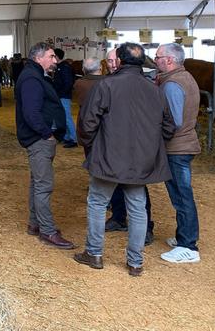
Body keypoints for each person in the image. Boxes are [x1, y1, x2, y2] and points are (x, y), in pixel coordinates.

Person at [75, 43, 174, 276]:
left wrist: (92, 145)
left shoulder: (106, 85)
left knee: (98, 203)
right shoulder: (155, 89)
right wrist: (152, 146)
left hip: (108, 158)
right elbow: (169, 127)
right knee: (138, 208)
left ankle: (94, 253)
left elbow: (87, 124)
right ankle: (135, 262)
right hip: (141, 161)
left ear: (118, 61)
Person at [14, 42, 74, 249]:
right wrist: (46, 133)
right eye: (51, 56)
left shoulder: (35, 75)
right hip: (39, 140)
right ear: (39, 57)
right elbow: (31, 112)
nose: (55, 60)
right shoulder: (32, 78)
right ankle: (47, 231)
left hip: (38, 138)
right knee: (43, 185)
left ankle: (35, 224)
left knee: (37, 183)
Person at [101, 48, 156, 244]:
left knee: (137, 191)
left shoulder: (146, 84)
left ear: (123, 61)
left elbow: (162, 119)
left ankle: (146, 228)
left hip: (135, 148)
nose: (113, 64)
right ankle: (118, 217)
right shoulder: (105, 84)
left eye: (116, 60)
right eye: (109, 61)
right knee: (114, 185)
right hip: (113, 148)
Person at [155, 42, 202, 264]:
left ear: (169, 60)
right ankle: (184, 236)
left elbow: (173, 121)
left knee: (182, 197)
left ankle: (188, 246)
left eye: (158, 57)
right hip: (184, 144)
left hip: (177, 148)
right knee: (181, 195)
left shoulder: (172, 84)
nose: (155, 61)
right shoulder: (185, 77)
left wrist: (155, 137)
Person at [53, 49, 77, 147]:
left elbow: (68, 83)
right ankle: (67, 136)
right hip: (61, 96)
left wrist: (61, 93)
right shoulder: (60, 67)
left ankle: (73, 139)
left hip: (64, 96)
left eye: (53, 56)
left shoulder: (64, 67)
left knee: (67, 117)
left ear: (57, 57)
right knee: (64, 117)